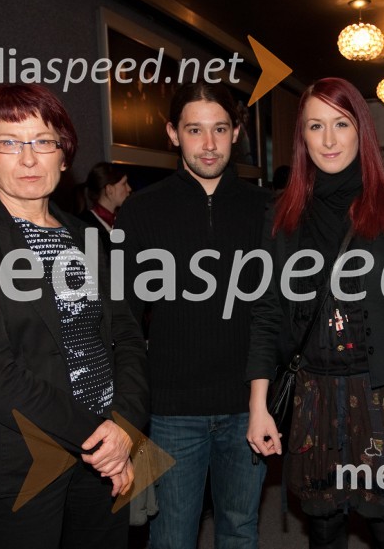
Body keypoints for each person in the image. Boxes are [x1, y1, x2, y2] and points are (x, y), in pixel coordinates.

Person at [0, 84, 149, 549]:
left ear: (64, 156)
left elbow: (127, 335)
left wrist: (125, 425)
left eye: (43, 141)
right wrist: (100, 438)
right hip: (22, 460)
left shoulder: (87, 236)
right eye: (8, 142)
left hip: (106, 456)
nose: (28, 158)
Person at [246, 77, 384, 549]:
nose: (328, 139)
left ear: (361, 131)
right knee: (324, 527)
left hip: (383, 393)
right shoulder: (282, 214)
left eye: (341, 124)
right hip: (313, 394)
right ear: (302, 138)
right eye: (315, 126)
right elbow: (267, 312)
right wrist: (258, 405)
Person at [116, 81, 271, 549]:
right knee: (170, 537)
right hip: (169, 410)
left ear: (236, 132)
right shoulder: (140, 210)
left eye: (220, 129)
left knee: (240, 530)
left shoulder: (268, 207)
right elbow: (123, 314)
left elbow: (276, 309)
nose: (208, 144)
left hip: (248, 405)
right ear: (172, 133)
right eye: (195, 130)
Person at [78, 161, 131, 253]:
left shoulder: (123, 220)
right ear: (109, 189)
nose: (129, 188)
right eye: (124, 184)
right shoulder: (85, 226)